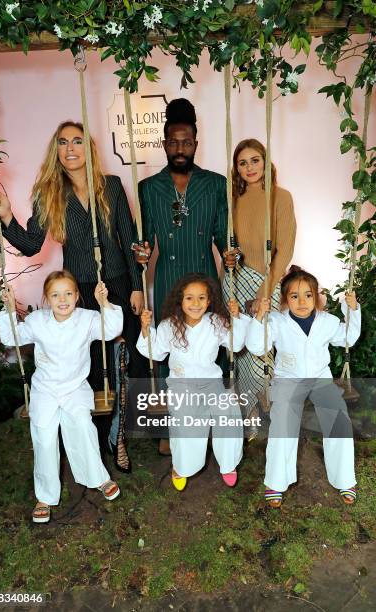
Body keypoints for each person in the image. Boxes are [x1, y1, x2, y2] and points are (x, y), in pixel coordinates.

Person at [0, 120, 148, 471]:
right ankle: (91, 435)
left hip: (118, 285)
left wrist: (136, 285)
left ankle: (118, 437)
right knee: (89, 365)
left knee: (124, 363)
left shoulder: (111, 186)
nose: (71, 148)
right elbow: (31, 245)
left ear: (87, 149)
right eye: (63, 142)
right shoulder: (49, 193)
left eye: (77, 141)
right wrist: (5, 215)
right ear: (56, 151)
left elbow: (129, 239)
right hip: (78, 294)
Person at [134, 99, 228, 454]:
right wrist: (141, 252)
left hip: (205, 276)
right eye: (172, 142)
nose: (179, 148)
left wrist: (230, 252)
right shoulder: (147, 187)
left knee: (209, 347)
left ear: (196, 143)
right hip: (170, 278)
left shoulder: (215, 184)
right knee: (171, 348)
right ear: (163, 143)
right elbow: (143, 240)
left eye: (186, 142)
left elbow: (222, 235)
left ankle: (209, 422)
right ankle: (172, 428)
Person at [0, 270, 124, 523]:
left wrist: (104, 303)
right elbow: (12, 337)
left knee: (82, 426)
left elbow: (111, 330)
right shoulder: (37, 321)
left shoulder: (87, 318)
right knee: (43, 434)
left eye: (67, 293)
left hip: (75, 387)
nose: (62, 299)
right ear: (46, 298)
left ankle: (98, 478)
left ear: (76, 296)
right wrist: (9, 309)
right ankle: (45, 496)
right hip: (45, 388)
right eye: (55, 295)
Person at [245, 267, 361, 507]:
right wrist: (259, 318)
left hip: (320, 377)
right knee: (283, 422)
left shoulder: (327, 321)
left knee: (338, 419)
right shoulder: (275, 321)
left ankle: (345, 479)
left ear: (317, 297)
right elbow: (257, 347)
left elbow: (347, 338)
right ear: (285, 299)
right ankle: (276, 482)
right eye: (294, 296)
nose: (302, 301)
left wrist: (352, 310)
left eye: (308, 295)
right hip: (289, 378)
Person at [137, 273, 250, 490]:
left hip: (212, 384)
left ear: (209, 301)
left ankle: (228, 464)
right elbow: (157, 353)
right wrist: (145, 329)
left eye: (201, 298)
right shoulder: (169, 325)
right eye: (189, 298)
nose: (195, 303)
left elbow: (235, 346)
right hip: (182, 385)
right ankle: (181, 466)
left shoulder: (217, 322)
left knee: (228, 412)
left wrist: (236, 318)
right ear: (180, 300)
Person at [223, 139, 297, 435]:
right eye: (242, 163)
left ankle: (267, 404)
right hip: (236, 279)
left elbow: (286, 249)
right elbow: (231, 246)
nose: (249, 167)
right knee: (240, 347)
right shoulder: (232, 200)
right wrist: (229, 264)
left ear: (266, 163)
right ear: (236, 168)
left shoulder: (281, 197)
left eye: (255, 160)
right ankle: (249, 410)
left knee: (262, 347)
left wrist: (264, 291)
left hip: (267, 280)